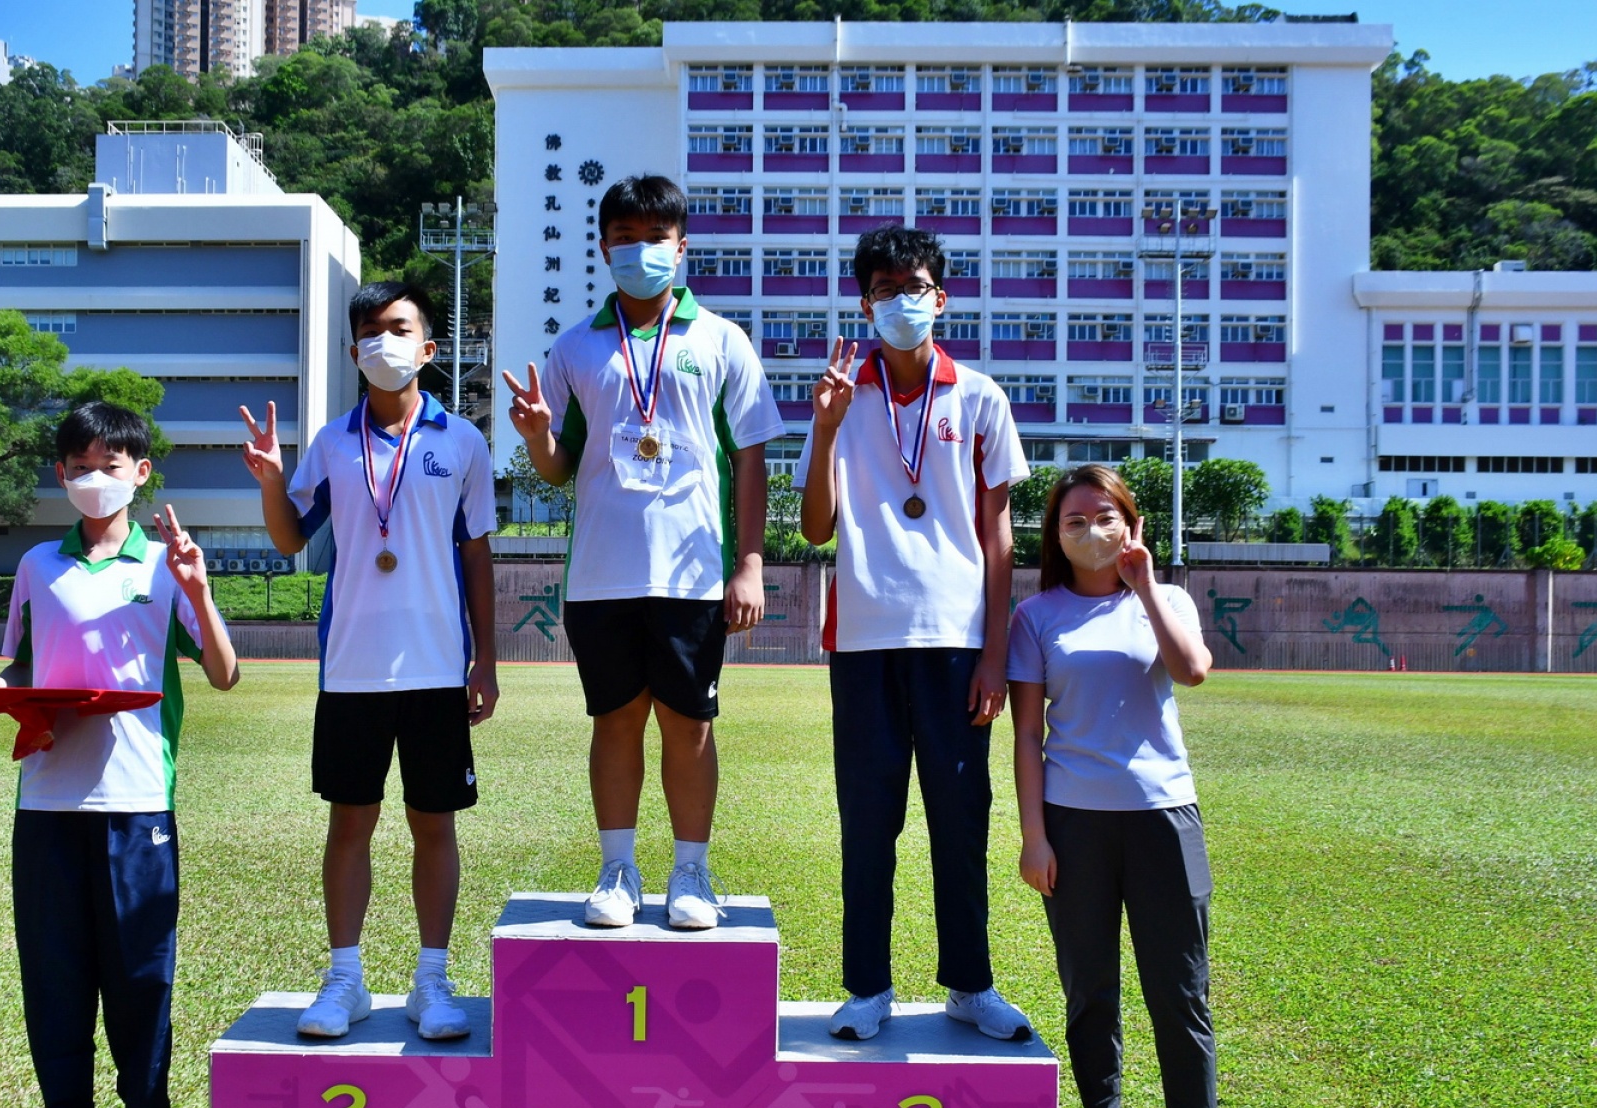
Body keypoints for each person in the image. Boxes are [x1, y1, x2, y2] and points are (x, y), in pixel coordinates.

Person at [499, 174, 783, 930]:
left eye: (655, 238)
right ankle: (617, 869)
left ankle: (691, 872)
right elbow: (558, 468)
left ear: (681, 248)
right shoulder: (575, 346)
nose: (640, 251)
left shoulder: (721, 340)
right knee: (615, 721)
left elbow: (751, 456)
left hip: (693, 574)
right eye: (625, 238)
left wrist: (750, 564)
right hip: (601, 574)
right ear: (604, 248)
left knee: (690, 725)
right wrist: (537, 437)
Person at [0, 401, 240, 1108]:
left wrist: (199, 590)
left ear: (141, 472)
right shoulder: (37, 565)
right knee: (54, 982)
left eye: (111, 464)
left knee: (139, 981)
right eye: (79, 465)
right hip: (47, 801)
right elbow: (19, 667)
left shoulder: (167, 565)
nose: (94, 478)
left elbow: (226, 672)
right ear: (60, 474)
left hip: (136, 801)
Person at [242, 280, 498, 1042]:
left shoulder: (463, 441)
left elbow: (477, 555)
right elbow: (290, 538)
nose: (384, 342)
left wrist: (486, 661)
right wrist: (270, 480)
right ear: (354, 352)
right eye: (370, 332)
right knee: (349, 821)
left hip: (436, 667)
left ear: (429, 346)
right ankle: (345, 979)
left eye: (399, 327)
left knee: (434, 824)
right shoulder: (331, 443)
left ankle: (432, 980)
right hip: (352, 667)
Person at [797, 225, 1033, 1044]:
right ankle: (867, 986)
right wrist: (827, 428)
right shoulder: (839, 395)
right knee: (868, 822)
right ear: (865, 304)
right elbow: (816, 527)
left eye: (917, 287)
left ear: (943, 297)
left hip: (957, 642)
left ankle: (970, 982)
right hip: (864, 639)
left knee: (961, 819)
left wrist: (996, 654)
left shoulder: (980, 396)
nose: (903, 301)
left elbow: (998, 536)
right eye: (886, 289)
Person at [1006, 464, 1229, 1108]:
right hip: (1075, 824)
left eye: (1105, 516)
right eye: (1074, 520)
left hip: (1166, 817)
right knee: (1090, 990)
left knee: (1181, 989)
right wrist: (1035, 836)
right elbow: (1027, 736)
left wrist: (1145, 585)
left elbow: (1193, 670)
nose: (1090, 530)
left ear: (1131, 524)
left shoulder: (1166, 600)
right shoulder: (1036, 616)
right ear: (1055, 536)